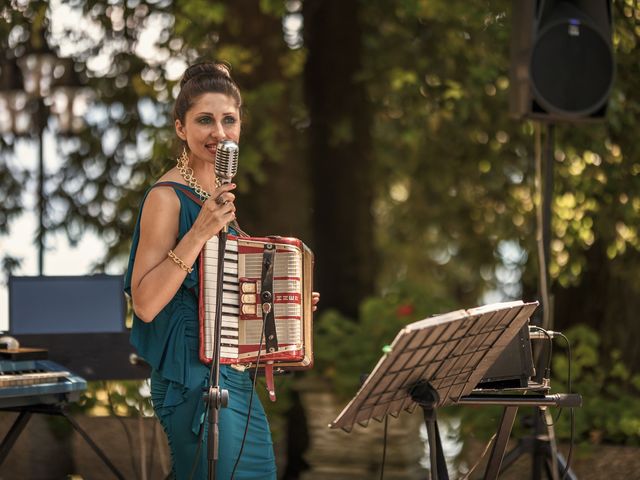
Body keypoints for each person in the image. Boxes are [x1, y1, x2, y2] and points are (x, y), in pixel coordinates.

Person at [124, 61, 319, 479]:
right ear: (181, 128)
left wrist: (288, 307)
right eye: (205, 120)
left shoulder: (216, 194)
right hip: (189, 377)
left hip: (228, 372)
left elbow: (219, 296)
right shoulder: (167, 197)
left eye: (229, 120)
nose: (219, 132)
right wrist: (197, 234)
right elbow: (145, 303)